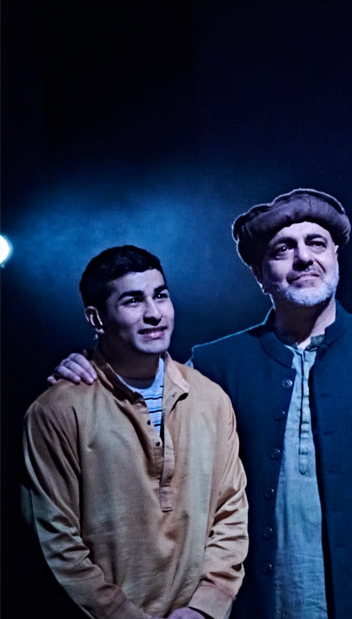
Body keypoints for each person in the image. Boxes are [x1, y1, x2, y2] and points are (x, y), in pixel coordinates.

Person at [51, 189, 352, 619]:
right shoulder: (214, 365)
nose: (304, 258)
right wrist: (91, 367)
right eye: (283, 249)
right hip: (256, 604)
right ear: (260, 276)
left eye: (317, 243)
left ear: (337, 258)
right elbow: (143, 388)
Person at [24, 245, 248, 619]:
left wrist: (206, 606)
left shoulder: (211, 400)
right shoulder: (57, 411)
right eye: (132, 301)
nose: (154, 313)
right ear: (96, 319)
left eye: (161, 295)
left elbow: (230, 512)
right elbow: (55, 539)